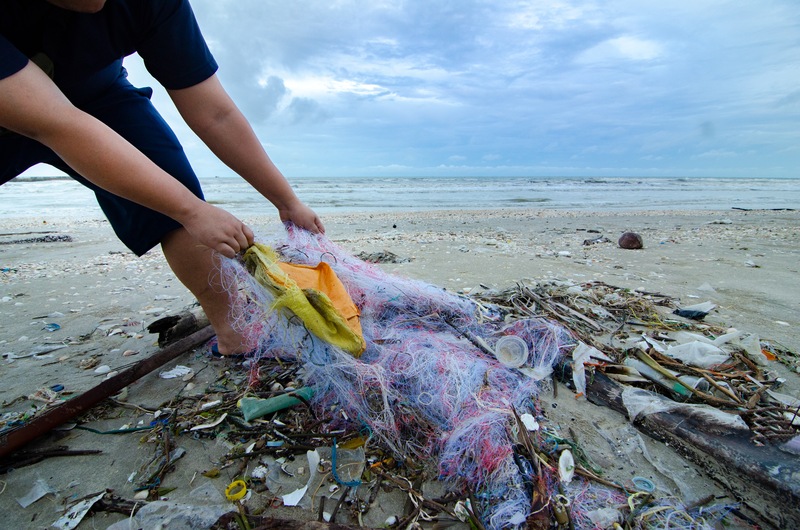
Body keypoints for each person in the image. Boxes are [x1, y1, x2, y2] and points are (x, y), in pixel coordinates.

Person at [0, 0, 324, 355]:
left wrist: (286, 201)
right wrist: (192, 211)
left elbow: (214, 113)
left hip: (99, 95)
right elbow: (55, 123)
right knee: (186, 207)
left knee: (175, 187)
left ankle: (236, 333)